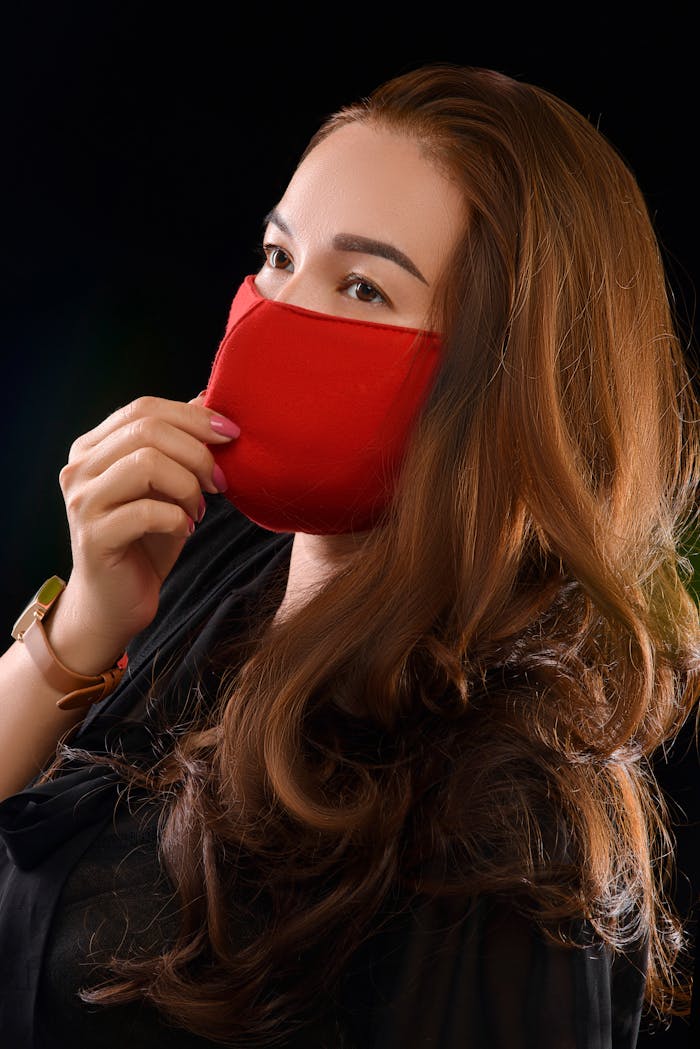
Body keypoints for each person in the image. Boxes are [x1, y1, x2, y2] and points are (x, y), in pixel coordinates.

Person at [0, 62, 697, 1048]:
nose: (280, 312)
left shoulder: (501, 802)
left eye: (362, 285)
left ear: (504, 373)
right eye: (278, 256)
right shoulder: (208, 567)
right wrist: (78, 632)